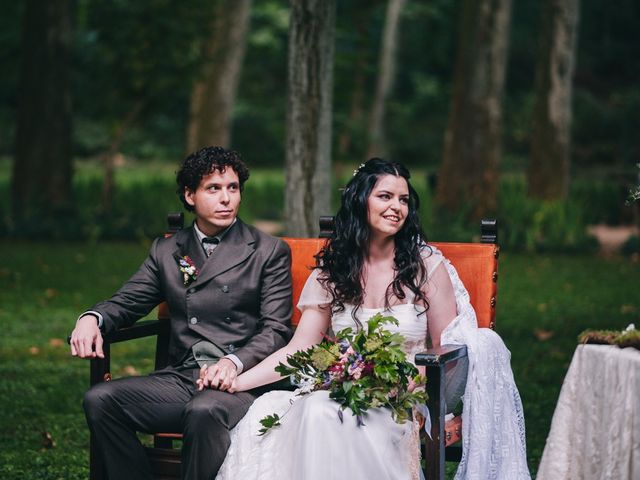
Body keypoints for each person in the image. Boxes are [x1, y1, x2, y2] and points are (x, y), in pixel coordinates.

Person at [214, 158, 531, 480]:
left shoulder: (426, 266)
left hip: (403, 398)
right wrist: (238, 382)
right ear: (359, 200)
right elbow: (300, 349)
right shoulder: (333, 272)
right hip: (339, 392)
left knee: (329, 415)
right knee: (315, 410)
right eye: (385, 196)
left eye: (403, 200)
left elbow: (445, 349)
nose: (397, 207)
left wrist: (403, 387)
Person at [69, 146, 293, 480]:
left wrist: (232, 364)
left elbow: (275, 330)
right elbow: (128, 301)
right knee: (100, 400)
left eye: (233, 188)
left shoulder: (267, 250)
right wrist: (92, 318)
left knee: (204, 410)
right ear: (190, 196)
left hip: (242, 381)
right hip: (184, 376)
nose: (226, 199)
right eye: (213, 189)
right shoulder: (167, 250)